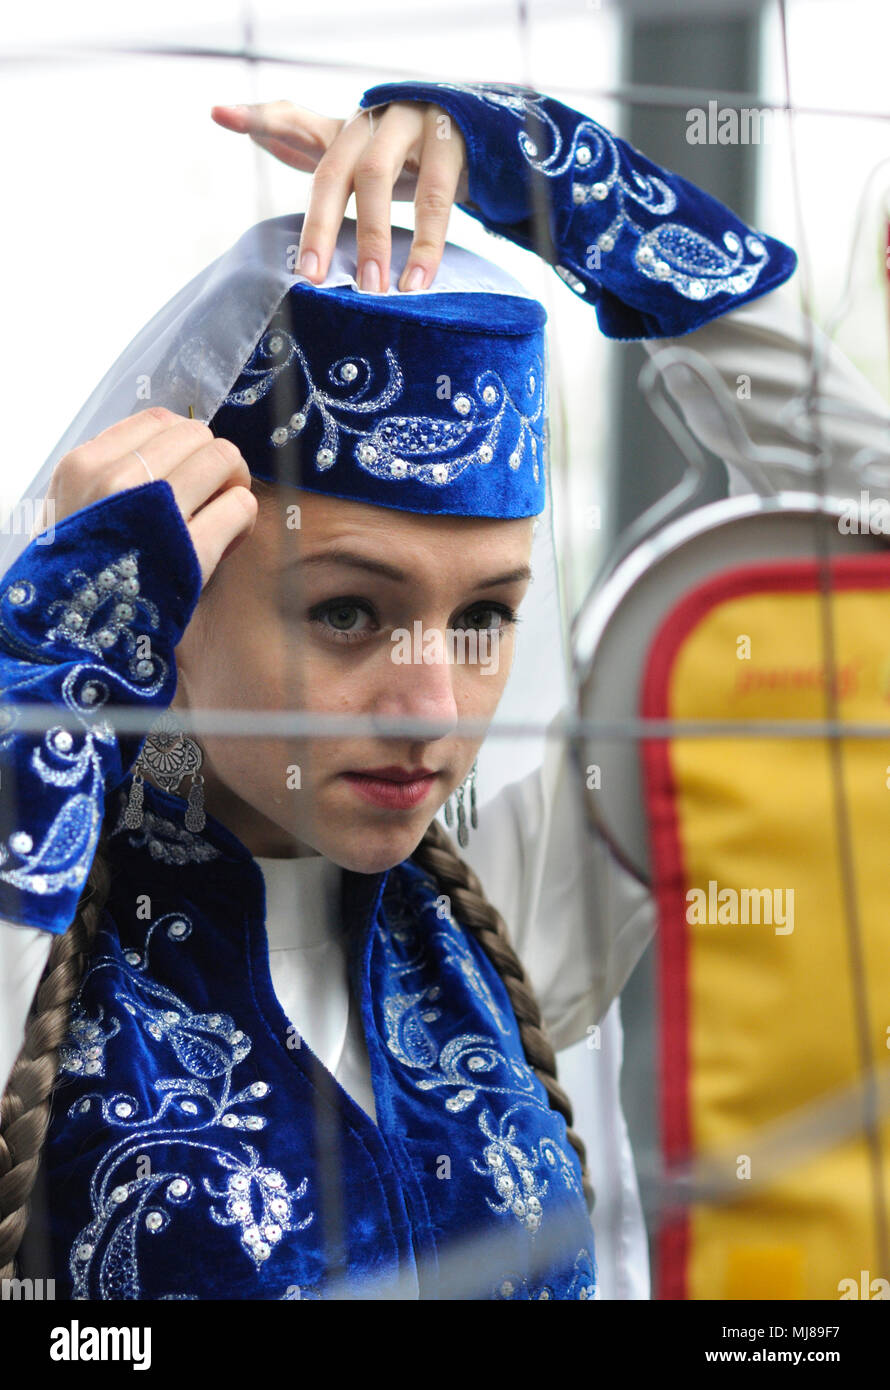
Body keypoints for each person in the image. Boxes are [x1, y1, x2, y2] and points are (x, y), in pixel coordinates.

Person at [0, 78, 812, 1301]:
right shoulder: (37, 959)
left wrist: (547, 179)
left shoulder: (513, 916)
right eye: (345, 610)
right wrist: (58, 664)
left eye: (484, 615)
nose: (432, 710)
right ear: (175, 592)